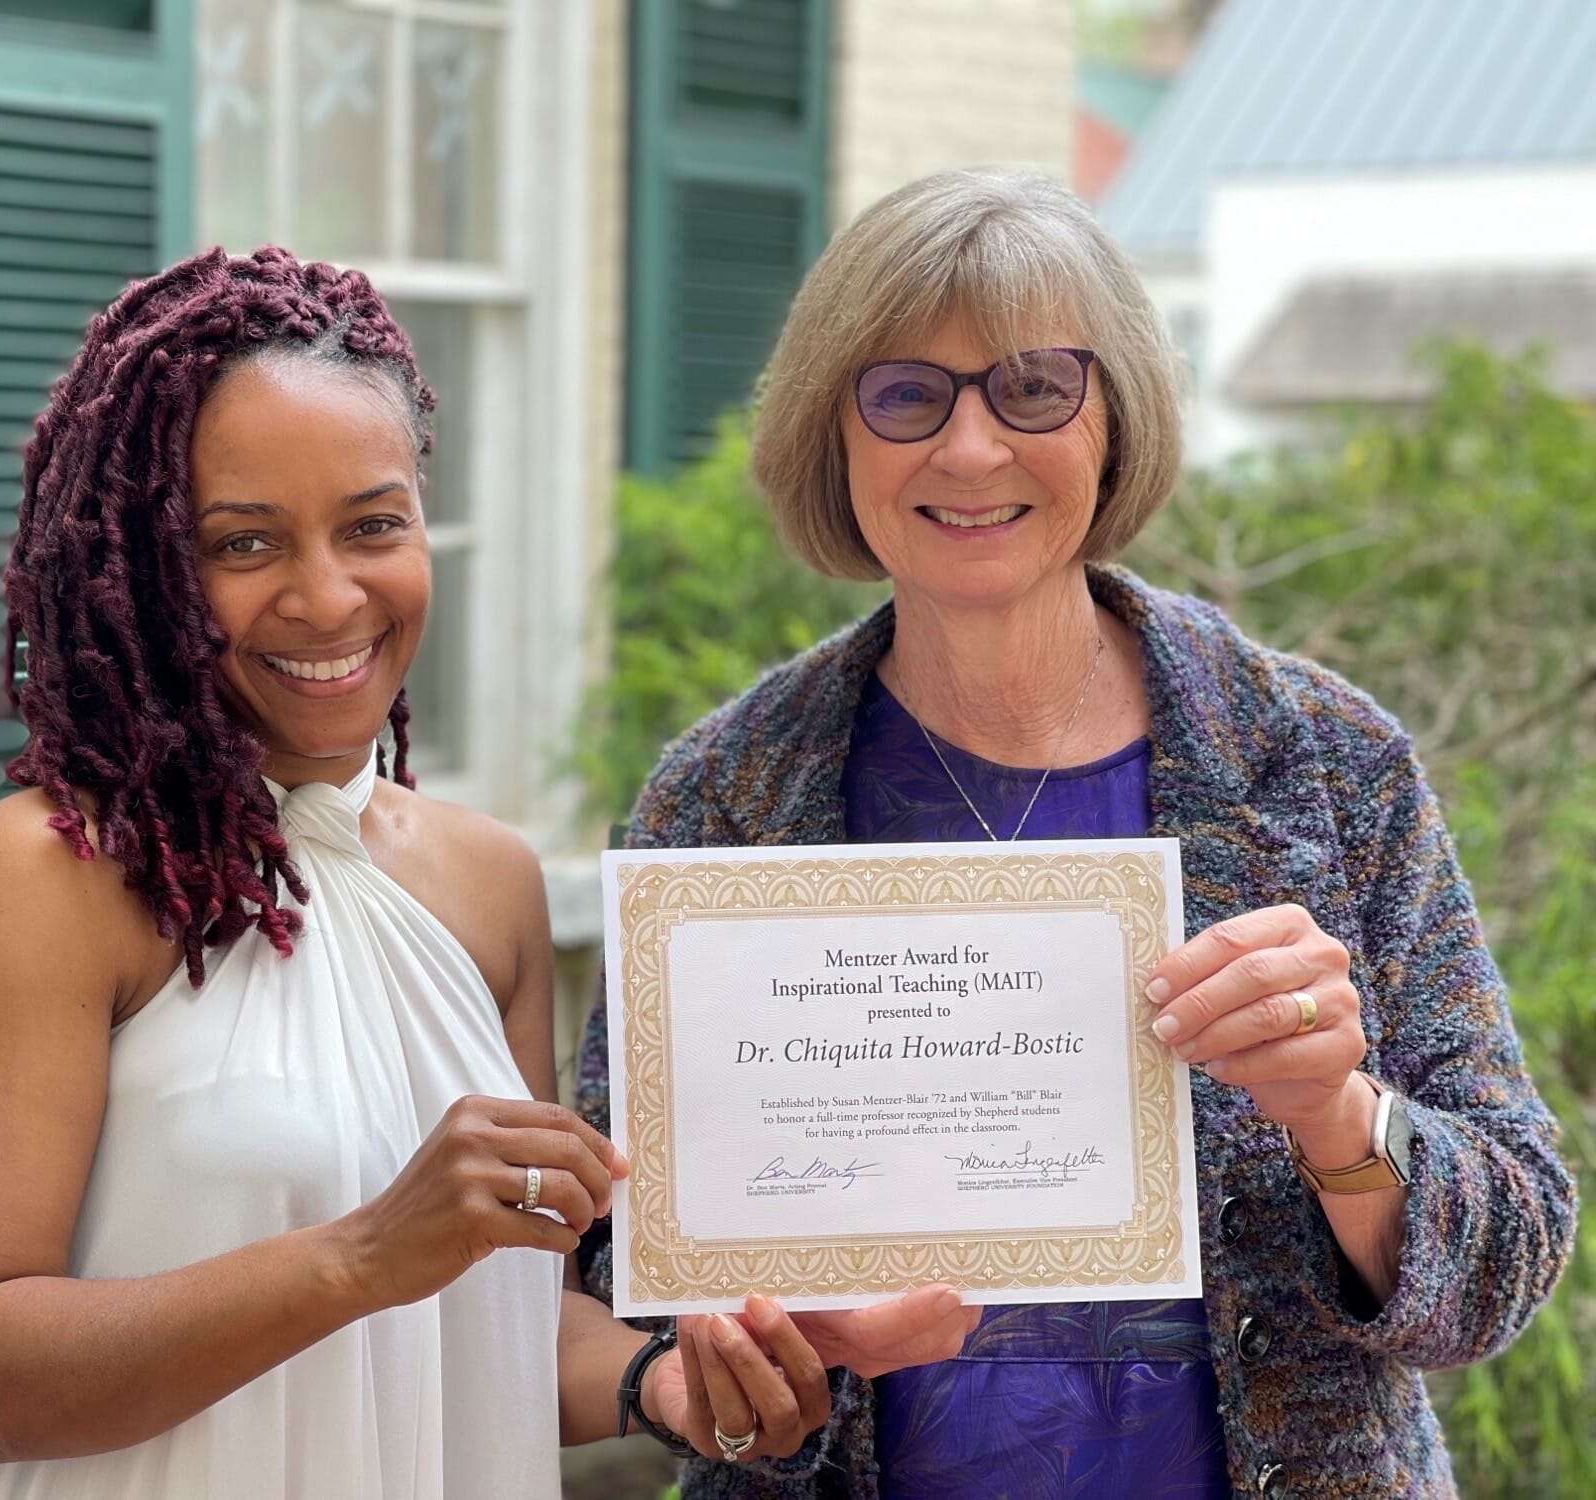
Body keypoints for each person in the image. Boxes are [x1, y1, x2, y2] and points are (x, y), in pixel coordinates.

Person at [573, 170, 1576, 1499]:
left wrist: (1337, 1114)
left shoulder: (1326, 765)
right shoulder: (719, 799)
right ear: (834, 436)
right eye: (904, 395)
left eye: (1033, 387)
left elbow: (1505, 1263)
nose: (969, 449)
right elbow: (615, 1255)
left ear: (1114, 424)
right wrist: (759, 1351)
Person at [0, 248, 880, 1498]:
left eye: (372, 526)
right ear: (143, 565)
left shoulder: (488, 883)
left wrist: (663, 1384)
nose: (326, 596)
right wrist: (358, 1258)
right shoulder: (56, 871)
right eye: (244, 542)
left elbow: (505, 1316)